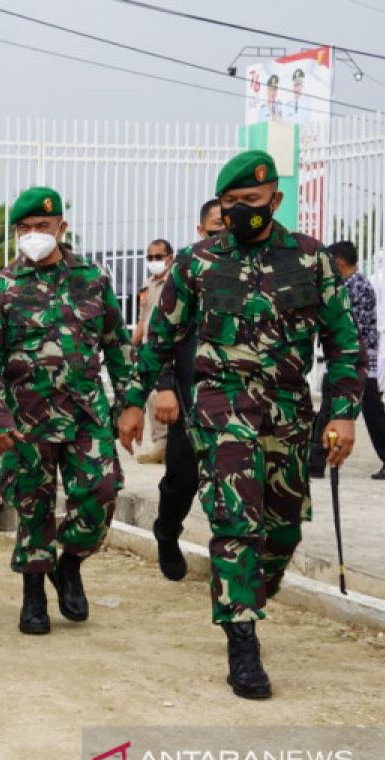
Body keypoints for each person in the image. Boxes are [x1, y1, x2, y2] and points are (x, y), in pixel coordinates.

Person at [118, 150, 364, 700]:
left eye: (250, 202)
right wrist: (139, 397)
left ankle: (254, 592)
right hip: (219, 406)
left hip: (288, 411)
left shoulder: (310, 260)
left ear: (274, 200)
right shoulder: (198, 262)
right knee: (236, 521)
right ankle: (243, 641)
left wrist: (344, 414)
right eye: (230, 204)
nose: (240, 212)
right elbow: (157, 340)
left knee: (281, 530)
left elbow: (344, 342)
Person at [0, 187, 132, 636]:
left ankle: (69, 563)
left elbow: (117, 347)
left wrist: (129, 404)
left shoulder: (93, 279)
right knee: (33, 505)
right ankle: (33, 593)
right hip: (27, 420)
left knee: (101, 492)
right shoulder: (3, 286)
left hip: (87, 414)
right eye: (23, 229)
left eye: (41, 227)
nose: (32, 235)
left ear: (61, 228)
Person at [148, 199, 225, 582]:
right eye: (215, 231)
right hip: (192, 394)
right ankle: (167, 530)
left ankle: (234, 564)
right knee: (183, 479)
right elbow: (161, 334)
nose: (223, 237)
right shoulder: (190, 268)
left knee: (237, 485)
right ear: (200, 232)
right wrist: (165, 386)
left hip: (240, 398)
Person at [308, 241, 385, 480]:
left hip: (357, 363)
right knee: (330, 411)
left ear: (338, 261)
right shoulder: (347, 284)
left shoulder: (356, 286)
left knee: (371, 413)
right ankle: (315, 464)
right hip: (348, 362)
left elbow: (351, 328)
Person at [132, 238, 174, 465]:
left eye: (159, 257)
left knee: (167, 396)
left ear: (170, 257)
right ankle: (161, 447)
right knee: (151, 396)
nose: (154, 261)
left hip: (169, 348)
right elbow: (142, 322)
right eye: (150, 258)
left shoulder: (175, 282)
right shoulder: (147, 286)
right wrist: (131, 347)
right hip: (150, 350)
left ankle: (170, 448)